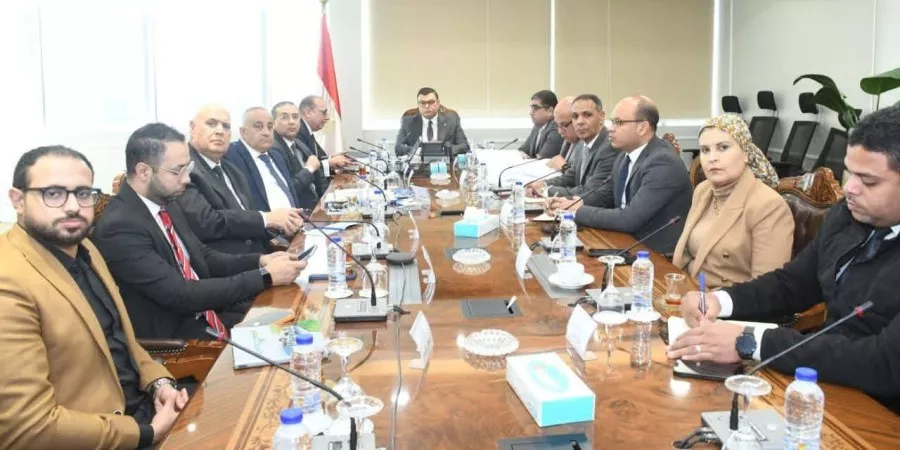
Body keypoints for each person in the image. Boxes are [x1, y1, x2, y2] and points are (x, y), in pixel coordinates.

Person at [670, 105, 900, 413]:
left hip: (880, 411)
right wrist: (721, 301)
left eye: (868, 181)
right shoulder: (846, 216)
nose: (849, 189)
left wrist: (752, 342)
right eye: (849, 172)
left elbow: (884, 363)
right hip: (821, 381)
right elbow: (793, 284)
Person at [0, 146, 187, 448]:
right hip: (103, 436)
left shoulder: (86, 248)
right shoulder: (8, 280)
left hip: (144, 408)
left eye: (83, 193)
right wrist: (145, 433)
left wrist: (159, 384)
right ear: (18, 200)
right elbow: (28, 426)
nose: (73, 206)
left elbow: (123, 341)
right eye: (53, 194)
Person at [93, 123, 306, 340]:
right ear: (143, 172)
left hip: (210, 315)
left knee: (299, 318)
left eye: (188, 169)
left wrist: (260, 262)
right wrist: (265, 277)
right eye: (178, 170)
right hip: (180, 340)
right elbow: (182, 294)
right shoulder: (119, 227)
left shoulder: (165, 201)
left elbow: (202, 256)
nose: (186, 179)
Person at [550, 95, 691, 254]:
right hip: (622, 241)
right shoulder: (624, 156)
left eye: (619, 122)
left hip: (653, 254)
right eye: (612, 122)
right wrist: (570, 203)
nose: (611, 128)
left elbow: (629, 219)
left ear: (642, 127)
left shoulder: (663, 163)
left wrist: (577, 211)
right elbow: (605, 194)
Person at [672, 114, 793, 288]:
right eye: (705, 150)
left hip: (731, 301)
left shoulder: (769, 205)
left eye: (723, 147)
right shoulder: (703, 190)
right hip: (688, 289)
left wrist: (715, 301)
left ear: (746, 153)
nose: (712, 158)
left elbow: (767, 289)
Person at [176, 104, 305, 254]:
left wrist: (282, 227)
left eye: (226, 126)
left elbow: (245, 217)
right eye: (211, 124)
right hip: (228, 262)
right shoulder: (185, 169)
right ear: (192, 128)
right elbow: (206, 222)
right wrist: (267, 219)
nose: (220, 131)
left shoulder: (233, 171)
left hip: (263, 253)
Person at [536, 94, 616, 198]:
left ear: (602, 116)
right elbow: (571, 177)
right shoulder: (581, 144)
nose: (579, 122)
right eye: (575, 116)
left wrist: (545, 191)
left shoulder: (609, 147)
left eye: (587, 115)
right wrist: (543, 184)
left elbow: (590, 191)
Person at [223, 107, 300, 212]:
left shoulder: (277, 154)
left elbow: (291, 191)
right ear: (243, 132)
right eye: (258, 127)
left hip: (296, 218)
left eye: (270, 127)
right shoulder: (230, 155)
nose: (266, 132)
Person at [270, 100, 329, 208]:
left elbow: (319, 176)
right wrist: (309, 169)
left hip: (318, 206)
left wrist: (327, 199)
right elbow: (288, 189)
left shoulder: (298, 142)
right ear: (273, 123)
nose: (291, 122)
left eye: (295, 117)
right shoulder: (273, 149)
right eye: (284, 117)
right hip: (300, 211)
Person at [395, 87, 470, 157]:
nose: (427, 106)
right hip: (418, 165)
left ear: (438, 103)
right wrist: (420, 151)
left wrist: (443, 150)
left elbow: (464, 146)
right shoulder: (408, 122)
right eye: (422, 103)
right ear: (418, 105)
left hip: (444, 164)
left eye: (431, 102)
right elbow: (398, 148)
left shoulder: (452, 120)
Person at [296, 95, 351, 178]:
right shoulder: (297, 132)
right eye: (323, 113)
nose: (327, 117)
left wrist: (332, 158)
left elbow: (316, 158)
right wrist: (329, 163)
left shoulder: (307, 130)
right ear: (308, 112)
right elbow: (304, 167)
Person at [518, 90, 563, 159]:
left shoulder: (557, 128)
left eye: (535, 108)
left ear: (550, 111)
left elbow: (543, 158)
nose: (531, 113)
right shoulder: (538, 125)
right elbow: (524, 149)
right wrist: (522, 153)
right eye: (531, 108)